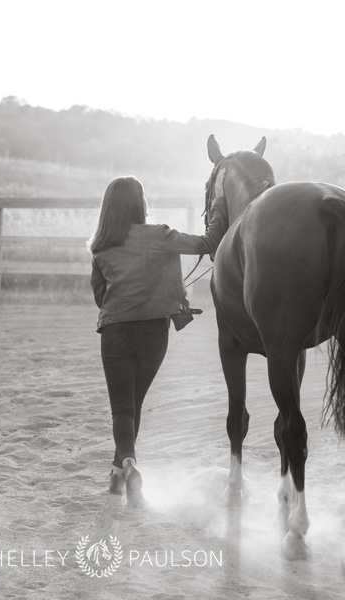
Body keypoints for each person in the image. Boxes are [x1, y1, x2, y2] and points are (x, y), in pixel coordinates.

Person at [89, 176, 229, 508]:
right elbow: (206, 242)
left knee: (123, 407)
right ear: (141, 204)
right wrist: (220, 208)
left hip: (115, 330)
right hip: (154, 331)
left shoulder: (100, 247)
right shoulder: (160, 235)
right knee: (135, 403)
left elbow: (100, 297)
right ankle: (117, 473)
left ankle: (127, 467)